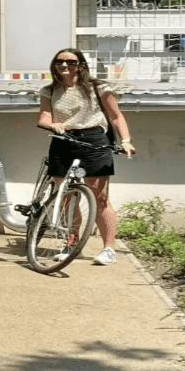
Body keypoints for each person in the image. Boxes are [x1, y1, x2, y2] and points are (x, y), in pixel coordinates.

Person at [37, 47, 136, 265]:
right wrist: (52, 124)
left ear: (81, 65)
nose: (65, 66)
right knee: (65, 196)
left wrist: (125, 140)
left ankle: (109, 247)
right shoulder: (49, 90)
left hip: (93, 139)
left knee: (99, 197)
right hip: (62, 140)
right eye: (60, 62)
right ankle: (71, 244)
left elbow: (116, 116)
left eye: (71, 62)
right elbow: (44, 117)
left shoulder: (97, 88)